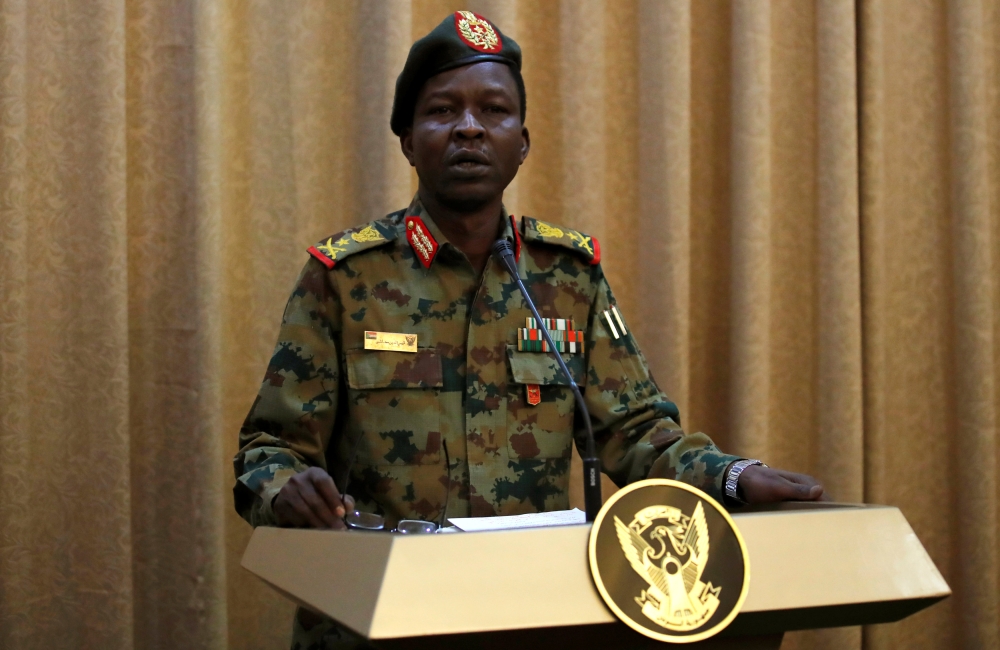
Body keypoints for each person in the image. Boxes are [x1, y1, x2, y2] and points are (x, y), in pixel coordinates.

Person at [233, 11, 825, 649]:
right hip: (378, 620)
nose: (468, 128)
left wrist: (732, 478)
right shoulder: (345, 279)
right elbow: (268, 450)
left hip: (532, 614)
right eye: (441, 111)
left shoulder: (568, 279)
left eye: (493, 110)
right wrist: (287, 492)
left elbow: (636, 436)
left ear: (522, 142)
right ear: (407, 139)